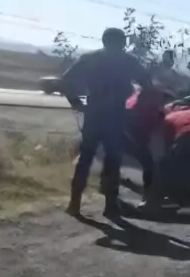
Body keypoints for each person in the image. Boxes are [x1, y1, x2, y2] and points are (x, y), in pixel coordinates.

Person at [59, 27, 153, 218]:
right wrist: (136, 104)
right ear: (122, 42)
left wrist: (76, 102)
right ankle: (110, 207)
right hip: (116, 115)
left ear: (103, 41)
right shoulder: (128, 61)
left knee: (85, 159)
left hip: (94, 113)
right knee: (113, 161)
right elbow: (147, 84)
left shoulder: (90, 58)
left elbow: (66, 80)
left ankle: (74, 204)